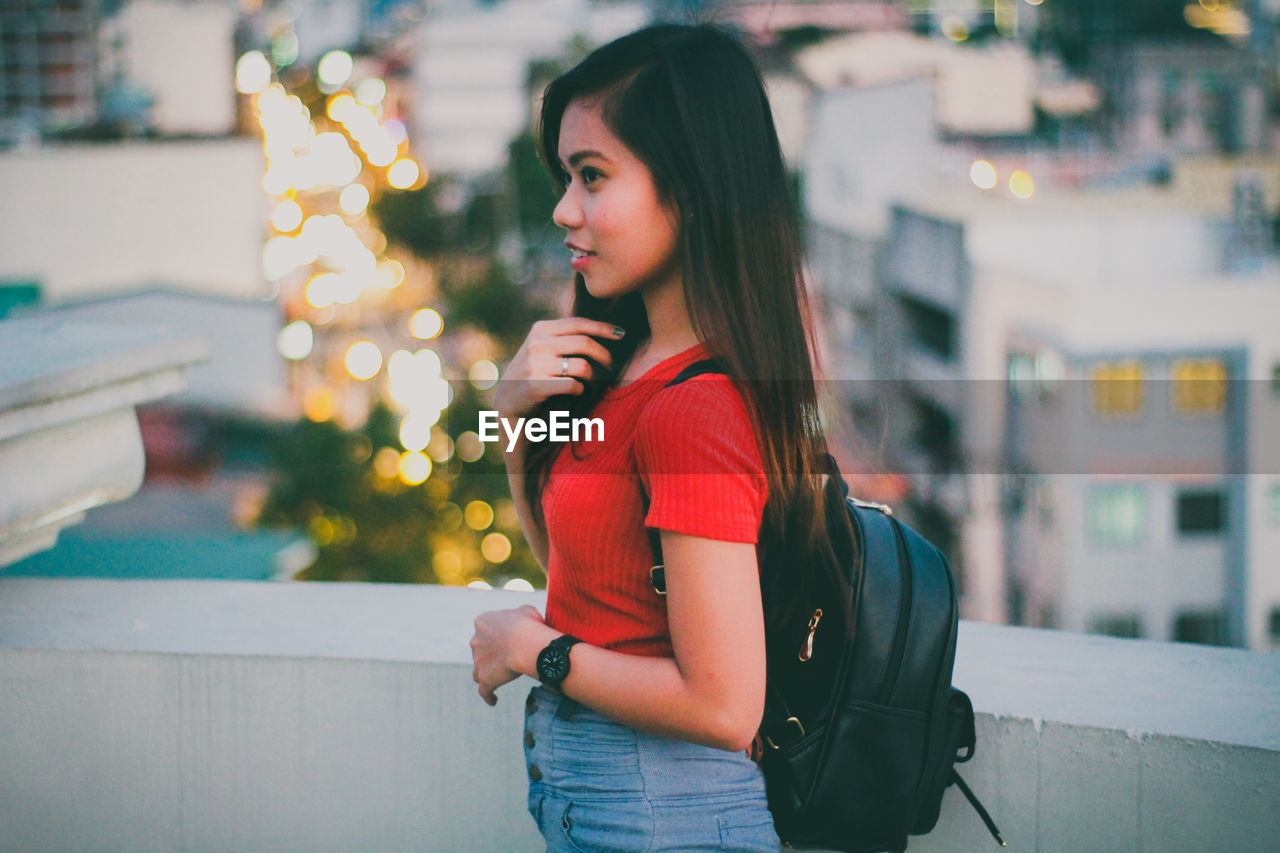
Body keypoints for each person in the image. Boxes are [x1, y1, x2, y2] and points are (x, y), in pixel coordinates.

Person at [470, 22, 846, 852]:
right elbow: (587, 582)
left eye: (593, 176)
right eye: (566, 177)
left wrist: (536, 651)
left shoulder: (696, 406)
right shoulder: (635, 366)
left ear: (692, 185)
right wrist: (511, 413)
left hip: (664, 815)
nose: (565, 209)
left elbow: (722, 704)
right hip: (614, 803)